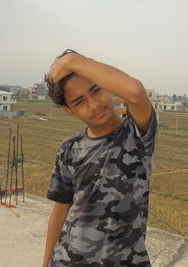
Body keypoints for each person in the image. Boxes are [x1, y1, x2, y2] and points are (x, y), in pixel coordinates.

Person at [43, 49, 157, 267]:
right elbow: (61, 209)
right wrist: (45, 262)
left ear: (109, 88)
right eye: (79, 101)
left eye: (96, 90)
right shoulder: (69, 148)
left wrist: (70, 61)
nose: (94, 105)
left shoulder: (137, 135)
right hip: (68, 260)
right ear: (70, 111)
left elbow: (134, 91)